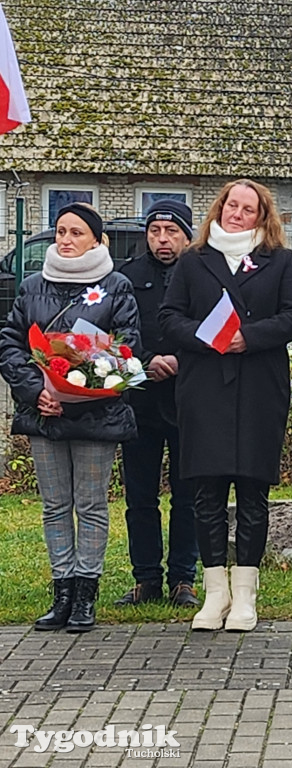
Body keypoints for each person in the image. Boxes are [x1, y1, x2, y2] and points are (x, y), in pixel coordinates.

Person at [159, 179, 292, 632]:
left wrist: (251, 336)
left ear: (262, 217)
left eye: (247, 208)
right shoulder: (193, 260)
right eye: (230, 205)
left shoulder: (277, 260)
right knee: (206, 494)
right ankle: (214, 593)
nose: (236, 214)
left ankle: (245, 595)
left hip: (259, 388)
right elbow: (169, 317)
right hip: (205, 387)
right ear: (218, 209)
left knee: (252, 494)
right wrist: (208, 337)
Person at [0, 203, 140, 633]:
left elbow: (127, 348)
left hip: (95, 415)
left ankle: (85, 595)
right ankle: (61, 591)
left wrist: (82, 391)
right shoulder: (32, 285)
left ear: (98, 240)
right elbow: (10, 342)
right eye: (60, 231)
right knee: (55, 505)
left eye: (76, 232)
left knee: (92, 505)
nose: (65, 239)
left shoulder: (116, 286)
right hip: (45, 415)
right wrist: (36, 390)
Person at [115, 200, 200, 608]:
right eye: (154, 231)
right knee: (140, 497)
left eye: (171, 232)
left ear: (188, 235)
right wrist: (146, 361)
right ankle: (145, 578)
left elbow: (217, 329)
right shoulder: (127, 277)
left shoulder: (204, 275)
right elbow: (115, 334)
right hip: (141, 400)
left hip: (189, 399)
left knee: (188, 495)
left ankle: (184, 579)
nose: (162, 239)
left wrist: (183, 361)